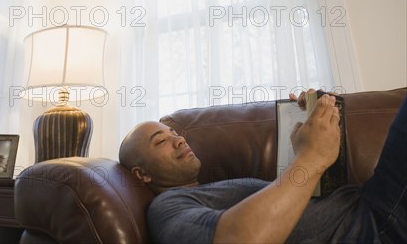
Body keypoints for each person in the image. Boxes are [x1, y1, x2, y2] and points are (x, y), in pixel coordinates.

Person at [118, 90, 406, 243]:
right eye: (161, 141)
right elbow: (236, 240)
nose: (178, 141)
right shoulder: (167, 208)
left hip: (370, 204)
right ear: (141, 174)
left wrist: (312, 130)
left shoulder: (213, 190)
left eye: (175, 135)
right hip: (375, 225)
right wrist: (312, 156)